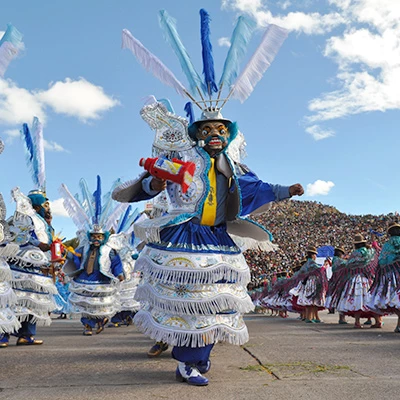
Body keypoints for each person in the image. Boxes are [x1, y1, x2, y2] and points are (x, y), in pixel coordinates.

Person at [112, 96, 304, 386]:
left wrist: (285, 190)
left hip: (218, 239)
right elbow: (146, 184)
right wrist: (156, 183)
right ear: (197, 135)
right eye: (207, 130)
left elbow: (257, 189)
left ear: (229, 135)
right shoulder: (183, 160)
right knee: (190, 301)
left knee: (217, 304)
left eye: (221, 130)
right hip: (184, 236)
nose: (214, 135)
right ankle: (188, 362)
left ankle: (199, 357)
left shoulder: (233, 168)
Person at [1, 188, 58, 346]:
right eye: (45, 205)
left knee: (31, 302)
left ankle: (26, 335)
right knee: (14, 301)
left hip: (36, 269)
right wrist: (38, 244)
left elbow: (48, 241)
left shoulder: (41, 222)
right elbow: (19, 236)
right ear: (37, 206)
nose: (48, 208)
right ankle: (3, 335)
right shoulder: (22, 218)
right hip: (19, 265)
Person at [336, 234, 380, 328]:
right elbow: (376, 254)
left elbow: (348, 265)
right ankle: (377, 321)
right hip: (367, 278)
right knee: (371, 299)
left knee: (357, 300)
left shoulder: (354, 254)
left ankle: (357, 322)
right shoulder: (369, 252)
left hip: (355, 279)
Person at [369, 222, 400, 332]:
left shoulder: (387, 245)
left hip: (390, 276)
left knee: (395, 299)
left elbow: (381, 261)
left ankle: (399, 324)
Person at [289, 246, 328, 323]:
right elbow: (319, 270)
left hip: (307, 283)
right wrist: (325, 265)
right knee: (312, 301)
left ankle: (309, 317)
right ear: (313, 255)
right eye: (315, 255)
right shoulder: (312, 263)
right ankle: (310, 318)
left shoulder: (306, 264)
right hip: (312, 283)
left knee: (309, 301)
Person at [325, 246, 348, 324]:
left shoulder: (335, 260)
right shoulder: (338, 260)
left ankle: (341, 317)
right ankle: (342, 318)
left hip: (336, 281)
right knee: (341, 298)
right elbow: (346, 264)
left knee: (339, 298)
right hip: (340, 281)